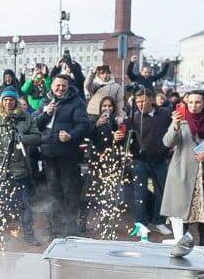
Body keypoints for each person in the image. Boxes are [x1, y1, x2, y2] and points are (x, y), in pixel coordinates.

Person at [160, 90, 204, 248]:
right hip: (182, 170)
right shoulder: (180, 120)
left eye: (198, 102)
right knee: (183, 207)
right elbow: (167, 142)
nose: (194, 106)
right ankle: (183, 241)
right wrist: (175, 125)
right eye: (190, 102)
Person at [0, 87, 42, 244]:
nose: (8, 103)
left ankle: (28, 235)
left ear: (15, 101)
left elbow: (37, 136)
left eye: (11, 100)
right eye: (5, 100)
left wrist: (22, 138)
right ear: (1, 101)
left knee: (24, 204)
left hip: (20, 168)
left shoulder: (25, 117)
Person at [34, 74, 91, 239]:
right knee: (54, 190)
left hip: (68, 154)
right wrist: (45, 113)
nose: (60, 89)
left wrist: (71, 135)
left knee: (70, 190)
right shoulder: (45, 101)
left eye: (63, 86)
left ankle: (71, 226)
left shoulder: (77, 101)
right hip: (48, 154)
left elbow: (84, 124)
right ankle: (57, 225)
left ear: (68, 87)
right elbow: (34, 124)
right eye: (57, 85)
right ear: (52, 85)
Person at [127, 89, 173, 235]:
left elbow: (173, 132)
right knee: (140, 193)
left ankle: (158, 221)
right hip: (139, 160)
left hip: (159, 159)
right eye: (138, 101)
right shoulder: (134, 117)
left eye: (143, 100)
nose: (140, 104)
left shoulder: (165, 114)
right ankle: (140, 223)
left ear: (152, 100)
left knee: (161, 191)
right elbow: (128, 139)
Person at [84, 96, 130, 237]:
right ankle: (84, 221)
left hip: (112, 162)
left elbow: (122, 142)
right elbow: (86, 136)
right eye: (104, 106)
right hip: (96, 161)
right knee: (92, 192)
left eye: (110, 106)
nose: (107, 108)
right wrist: (97, 124)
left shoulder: (117, 121)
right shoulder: (93, 120)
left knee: (110, 193)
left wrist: (118, 137)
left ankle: (107, 222)